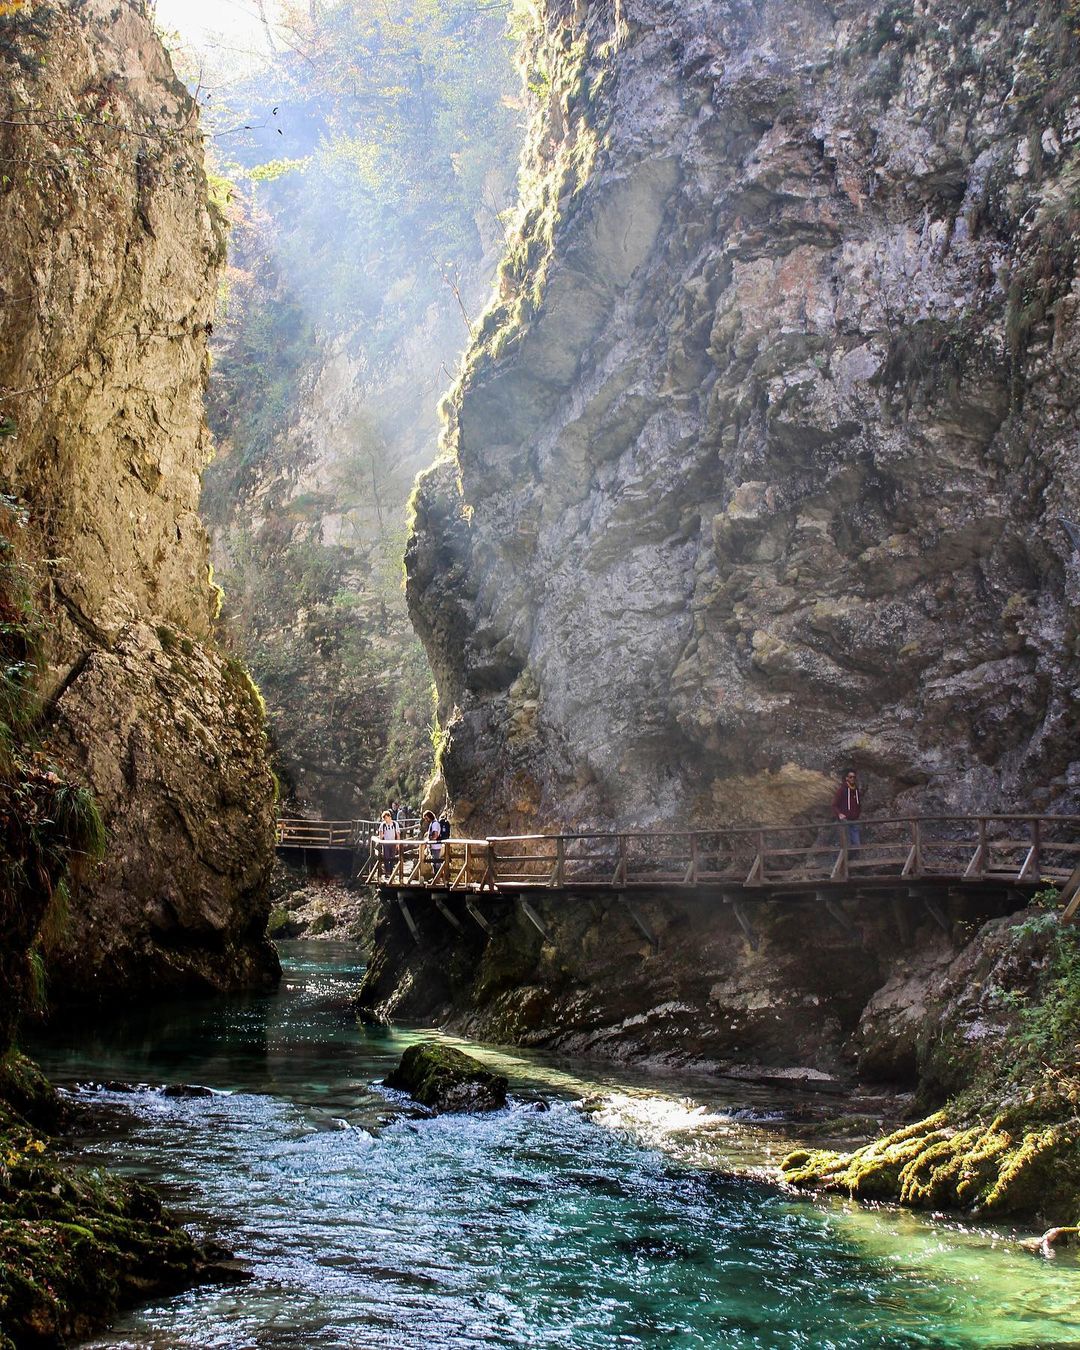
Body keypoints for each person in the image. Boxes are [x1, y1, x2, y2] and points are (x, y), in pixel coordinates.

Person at [832, 769, 862, 849]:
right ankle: (847, 860)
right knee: (846, 845)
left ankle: (856, 860)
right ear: (846, 778)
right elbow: (834, 805)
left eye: (854, 777)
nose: (852, 778)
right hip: (845, 821)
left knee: (857, 844)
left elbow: (858, 804)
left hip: (855, 820)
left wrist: (858, 814)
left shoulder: (856, 790)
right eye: (850, 777)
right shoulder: (842, 790)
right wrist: (839, 814)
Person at [378, 809, 399, 877]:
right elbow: (381, 834)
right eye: (384, 818)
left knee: (392, 858)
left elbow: (397, 834)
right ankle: (387, 872)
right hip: (386, 843)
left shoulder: (395, 824)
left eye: (386, 818)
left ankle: (391, 872)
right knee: (386, 858)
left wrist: (397, 843)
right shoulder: (383, 825)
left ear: (389, 817)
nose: (385, 820)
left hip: (393, 843)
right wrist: (380, 843)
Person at [422, 809, 443, 878]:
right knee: (434, 862)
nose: (426, 820)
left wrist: (430, 839)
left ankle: (438, 878)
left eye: (426, 818)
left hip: (436, 846)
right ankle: (436, 878)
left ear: (429, 816)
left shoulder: (435, 824)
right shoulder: (432, 823)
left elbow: (435, 835)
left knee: (436, 862)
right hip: (433, 846)